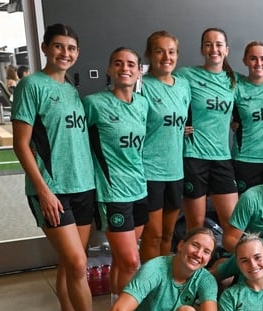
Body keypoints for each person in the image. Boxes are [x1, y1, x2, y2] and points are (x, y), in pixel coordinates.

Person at [11, 23, 104, 311]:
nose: (66, 53)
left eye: (72, 48)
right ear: (46, 47)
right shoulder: (31, 86)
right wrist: (44, 190)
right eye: (59, 47)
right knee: (80, 265)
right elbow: (20, 144)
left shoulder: (71, 91)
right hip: (53, 191)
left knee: (70, 263)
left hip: (82, 187)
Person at [83, 47, 150, 296]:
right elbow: (75, 139)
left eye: (131, 64)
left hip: (139, 189)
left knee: (123, 262)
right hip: (112, 193)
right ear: (110, 69)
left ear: (138, 72)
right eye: (118, 63)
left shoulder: (143, 105)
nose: (125, 68)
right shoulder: (94, 104)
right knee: (132, 261)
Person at [175, 28, 240, 252]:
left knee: (233, 225)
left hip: (222, 157)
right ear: (202, 48)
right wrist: (177, 126)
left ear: (226, 50)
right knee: (195, 226)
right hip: (194, 157)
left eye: (219, 44)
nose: (214, 49)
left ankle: (234, 277)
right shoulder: (186, 75)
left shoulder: (233, 80)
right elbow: (163, 89)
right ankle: (195, 279)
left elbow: (258, 79)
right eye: (209, 44)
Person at [138, 30, 191, 263]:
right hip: (150, 171)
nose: (166, 57)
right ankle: (148, 288)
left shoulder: (183, 86)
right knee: (153, 235)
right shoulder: (141, 86)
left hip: (175, 170)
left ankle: (163, 283)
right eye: (159, 51)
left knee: (169, 234)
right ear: (149, 55)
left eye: (171, 52)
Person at [231, 41, 263, 193]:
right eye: (253, 58)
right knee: (246, 208)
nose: (259, 63)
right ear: (245, 61)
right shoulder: (237, 85)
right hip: (244, 159)